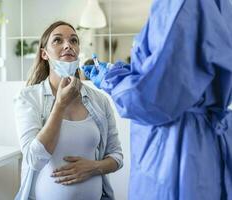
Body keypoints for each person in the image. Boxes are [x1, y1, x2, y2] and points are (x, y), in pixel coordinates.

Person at [82, 0, 232, 199]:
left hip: (176, 151)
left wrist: (112, 79)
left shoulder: (181, 4)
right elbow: (174, 75)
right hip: (203, 144)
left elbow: (152, 99)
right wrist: (123, 74)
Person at [13, 21, 123, 200]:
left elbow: (117, 156)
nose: (68, 45)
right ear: (44, 54)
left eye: (73, 41)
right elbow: (34, 159)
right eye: (57, 40)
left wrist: (94, 167)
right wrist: (60, 105)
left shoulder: (100, 100)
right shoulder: (28, 98)